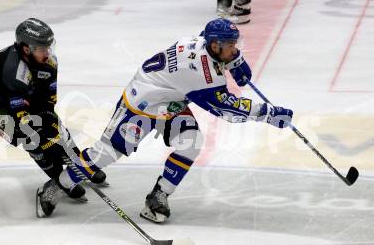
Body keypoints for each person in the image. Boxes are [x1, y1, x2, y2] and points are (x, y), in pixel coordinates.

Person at [52, 18, 293, 223]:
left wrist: (234, 61)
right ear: (215, 44)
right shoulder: (202, 74)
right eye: (230, 45)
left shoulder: (203, 43)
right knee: (105, 154)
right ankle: (56, 186)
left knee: (191, 142)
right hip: (142, 104)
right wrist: (269, 113)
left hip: (170, 101)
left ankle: (158, 196)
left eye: (235, 44)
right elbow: (227, 109)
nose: (235, 48)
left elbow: (206, 39)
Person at [0, 18, 106, 218]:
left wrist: (51, 123)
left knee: (52, 123)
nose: (47, 52)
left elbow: (47, 103)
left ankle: (77, 161)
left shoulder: (48, 62)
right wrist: (47, 142)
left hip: (20, 91)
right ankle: (59, 178)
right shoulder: (13, 70)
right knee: (29, 139)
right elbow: (22, 119)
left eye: (49, 46)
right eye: (42, 48)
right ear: (25, 48)